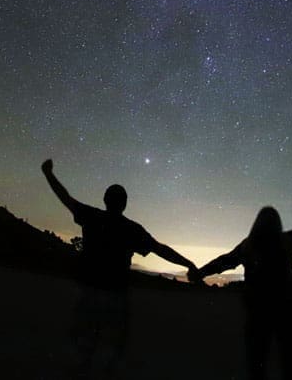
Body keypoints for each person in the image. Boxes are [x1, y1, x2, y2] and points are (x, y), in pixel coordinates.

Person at [41, 158, 196, 378]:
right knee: (111, 346)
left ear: (105, 200)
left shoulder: (92, 216)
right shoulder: (132, 229)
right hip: (116, 294)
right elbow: (160, 249)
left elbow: (64, 197)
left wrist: (48, 174)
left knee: (85, 344)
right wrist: (188, 263)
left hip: (89, 289)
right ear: (125, 204)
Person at [191, 186, 292, 380]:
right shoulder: (286, 241)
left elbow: (222, 262)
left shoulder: (248, 247)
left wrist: (200, 273)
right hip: (285, 312)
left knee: (259, 364)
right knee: (289, 364)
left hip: (258, 314)